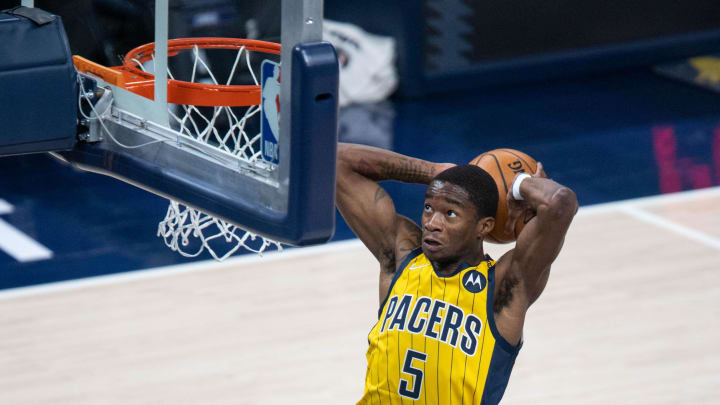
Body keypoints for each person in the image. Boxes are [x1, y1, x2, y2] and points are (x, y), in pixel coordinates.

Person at [336, 143, 578, 404]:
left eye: (450, 213)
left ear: (483, 226)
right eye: (429, 208)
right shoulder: (401, 258)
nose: (432, 223)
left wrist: (519, 183)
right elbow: (337, 160)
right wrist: (436, 172)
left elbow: (560, 204)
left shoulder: (503, 288)